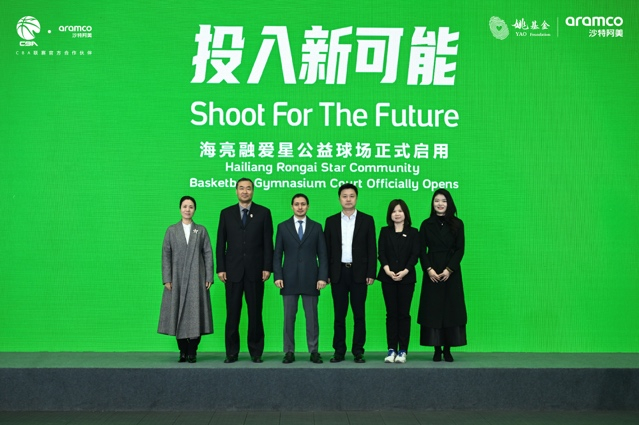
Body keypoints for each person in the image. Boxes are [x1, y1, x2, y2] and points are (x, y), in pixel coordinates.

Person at [216, 178, 273, 363]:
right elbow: (220, 243)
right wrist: (221, 268)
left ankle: (256, 352)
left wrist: (267, 267)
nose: (245, 191)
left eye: (248, 188)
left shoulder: (264, 213)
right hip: (232, 271)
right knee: (232, 313)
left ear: (253, 191)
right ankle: (232, 352)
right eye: (241, 188)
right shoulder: (226, 213)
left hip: (256, 271)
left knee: (255, 313)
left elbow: (268, 243)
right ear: (236, 191)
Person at [273, 194, 328, 364]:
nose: (300, 207)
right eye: (296, 204)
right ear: (292, 206)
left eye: (303, 204)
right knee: (288, 318)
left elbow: (323, 255)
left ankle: (314, 351)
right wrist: (278, 275)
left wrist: (322, 277)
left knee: (312, 318)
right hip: (288, 279)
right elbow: (277, 254)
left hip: (311, 279)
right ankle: (289, 351)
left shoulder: (316, 227)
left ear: (308, 206)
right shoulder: (283, 227)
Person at [324, 183, 376, 363]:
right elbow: (326, 250)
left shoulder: (367, 220)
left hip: (359, 273)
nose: (348, 199)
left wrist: (371, 273)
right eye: (344, 196)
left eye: (352, 196)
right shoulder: (331, 221)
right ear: (339, 199)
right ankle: (339, 351)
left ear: (356, 198)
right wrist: (326, 273)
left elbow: (372, 248)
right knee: (339, 315)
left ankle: (358, 351)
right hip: (338, 273)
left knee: (359, 314)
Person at [158, 196, 213, 363]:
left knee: (197, 314)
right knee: (177, 313)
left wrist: (209, 276)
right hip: (176, 279)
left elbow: (208, 254)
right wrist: (167, 278)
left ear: (195, 209)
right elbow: (166, 255)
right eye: (185, 206)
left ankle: (192, 350)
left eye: (191, 207)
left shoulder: (201, 230)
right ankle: (182, 350)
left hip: (197, 278)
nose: (187, 209)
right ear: (180, 209)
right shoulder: (171, 230)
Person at [418, 189, 467, 362]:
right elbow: (421, 250)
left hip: (451, 272)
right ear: (433, 203)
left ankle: (447, 349)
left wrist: (449, 269)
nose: (440, 204)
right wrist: (428, 269)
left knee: (450, 310)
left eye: (444, 201)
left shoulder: (458, 223)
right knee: (433, 310)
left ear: (449, 203)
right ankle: (436, 349)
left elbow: (460, 249)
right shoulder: (426, 224)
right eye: (437, 200)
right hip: (432, 271)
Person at [377, 199, 420, 364]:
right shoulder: (384, 231)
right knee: (391, 314)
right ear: (390, 214)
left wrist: (405, 271)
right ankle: (391, 349)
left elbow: (415, 254)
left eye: (400, 211)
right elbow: (381, 252)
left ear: (405, 213)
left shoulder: (413, 232)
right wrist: (387, 270)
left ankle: (402, 350)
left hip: (406, 278)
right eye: (394, 211)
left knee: (403, 314)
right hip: (387, 278)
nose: (397, 214)